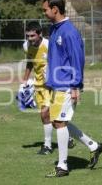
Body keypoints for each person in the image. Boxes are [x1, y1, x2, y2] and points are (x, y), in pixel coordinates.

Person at [42, 0, 102, 177]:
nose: (43, 13)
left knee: (60, 122)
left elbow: (77, 60)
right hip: (56, 84)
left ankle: (62, 166)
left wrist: (76, 85)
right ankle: (94, 146)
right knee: (58, 122)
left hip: (68, 85)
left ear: (55, 9)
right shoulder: (54, 29)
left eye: (45, 10)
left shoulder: (69, 32)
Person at [22, 22, 75, 154]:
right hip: (38, 85)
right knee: (47, 116)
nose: (30, 39)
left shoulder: (48, 45)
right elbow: (30, 63)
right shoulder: (26, 46)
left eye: (32, 36)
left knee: (46, 113)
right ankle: (67, 137)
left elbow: (60, 60)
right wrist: (25, 79)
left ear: (40, 34)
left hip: (51, 84)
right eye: (28, 36)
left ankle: (47, 146)